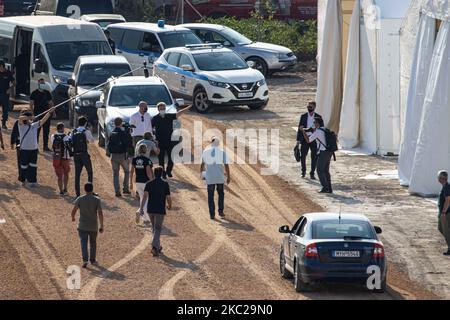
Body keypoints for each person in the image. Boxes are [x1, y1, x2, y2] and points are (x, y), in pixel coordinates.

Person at [151, 102, 192, 178]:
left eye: (163, 108)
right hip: (160, 142)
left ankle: (168, 171)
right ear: (158, 109)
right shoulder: (155, 118)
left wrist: (187, 108)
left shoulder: (169, 116)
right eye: (161, 109)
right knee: (161, 159)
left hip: (170, 141)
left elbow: (178, 113)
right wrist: (153, 138)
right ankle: (162, 173)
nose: (162, 110)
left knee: (171, 158)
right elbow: (150, 128)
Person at [139, 166, 172, 257]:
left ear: (154, 173)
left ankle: (158, 246)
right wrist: (170, 205)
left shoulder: (149, 183)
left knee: (154, 228)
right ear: (161, 173)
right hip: (160, 209)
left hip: (151, 209)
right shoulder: (165, 184)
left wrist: (141, 208)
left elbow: (145, 197)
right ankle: (154, 247)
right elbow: (168, 197)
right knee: (157, 228)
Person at [18, 108, 55, 187]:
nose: (31, 120)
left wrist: (49, 112)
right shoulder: (21, 126)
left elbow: (42, 121)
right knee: (24, 166)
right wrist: (29, 117)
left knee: (33, 166)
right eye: (28, 118)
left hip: (34, 150)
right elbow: (20, 118)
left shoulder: (34, 126)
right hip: (24, 150)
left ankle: (32, 181)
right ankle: (23, 180)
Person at [71, 183, 104, 268]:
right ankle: (92, 260)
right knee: (93, 243)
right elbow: (100, 213)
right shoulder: (97, 200)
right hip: (93, 226)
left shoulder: (80, 198)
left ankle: (85, 260)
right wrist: (101, 225)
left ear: (84, 189)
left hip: (82, 225)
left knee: (83, 243)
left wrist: (73, 217)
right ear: (92, 189)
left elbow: (74, 210)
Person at [200, 137, 231, 220]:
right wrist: (228, 176)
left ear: (211, 143)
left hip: (210, 177)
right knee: (221, 194)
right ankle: (220, 211)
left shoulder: (205, 152)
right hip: (220, 177)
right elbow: (226, 165)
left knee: (210, 196)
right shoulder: (222, 152)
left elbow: (202, 164)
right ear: (218, 144)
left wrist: (201, 174)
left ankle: (212, 214)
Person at [300, 117, 333, 194]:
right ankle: (329, 188)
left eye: (314, 122)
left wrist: (303, 131)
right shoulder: (325, 129)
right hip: (330, 151)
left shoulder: (318, 131)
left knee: (319, 170)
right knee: (326, 170)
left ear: (318, 123)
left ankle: (325, 187)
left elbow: (308, 140)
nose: (314, 124)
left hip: (323, 152)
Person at [69, 116, 95, 198]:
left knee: (77, 175)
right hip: (84, 154)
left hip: (76, 154)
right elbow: (92, 141)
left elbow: (69, 141)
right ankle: (89, 191)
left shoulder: (73, 131)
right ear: (85, 123)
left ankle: (78, 193)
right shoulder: (86, 131)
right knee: (89, 172)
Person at [107, 117, 133, 197]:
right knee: (126, 172)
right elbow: (129, 143)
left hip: (114, 156)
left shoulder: (112, 133)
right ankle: (125, 189)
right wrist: (129, 132)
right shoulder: (123, 133)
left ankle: (117, 191)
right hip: (122, 155)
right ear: (121, 123)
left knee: (115, 174)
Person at [296, 101, 322, 179]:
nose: (309, 108)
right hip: (305, 138)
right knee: (303, 155)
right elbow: (299, 128)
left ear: (314, 107)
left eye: (310, 107)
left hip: (314, 139)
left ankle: (312, 173)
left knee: (314, 157)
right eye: (308, 107)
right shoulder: (303, 116)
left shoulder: (318, 117)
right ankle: (303, 171)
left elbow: (321, 127)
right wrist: (298, 140)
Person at [131, 144, 154, 224]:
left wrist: (131, 182)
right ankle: (139, 211)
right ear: (145, 150)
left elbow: (132, 171)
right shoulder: (146, 160)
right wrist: (152, 181)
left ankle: (145, 218)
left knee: (142, 199)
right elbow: (148, 172)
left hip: (138, 181)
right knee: (147, 199)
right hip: (146, 182)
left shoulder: (134, 159)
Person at [30, 78, 54, 152]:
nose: (42, 84)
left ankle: (45, 146)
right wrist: (32, 114)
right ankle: (35, 146)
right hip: (37, 114)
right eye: (41, 82)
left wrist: (53, 112)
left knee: (46, 131)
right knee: (36, 131)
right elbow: (31, 104)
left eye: (43, 82)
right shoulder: (34, 93)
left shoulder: (47, 93)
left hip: (46, 114)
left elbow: (50, 103)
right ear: (38, 83)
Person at [51, 123, 71, 196]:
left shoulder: (53, 136)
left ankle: (61, 191)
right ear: (62, 128)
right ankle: (65, 189)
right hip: (65, 157)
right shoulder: (66, 137)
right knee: (66, 173)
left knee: (60, 176)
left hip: (56, 157)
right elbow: (69, 146)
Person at [438, 171, 450, 256]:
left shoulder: (446, 187)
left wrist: (443, 212)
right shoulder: (445, 186)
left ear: (441, 178)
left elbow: (448, 199)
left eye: (438, 177)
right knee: (440, 228)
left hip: (446, 213)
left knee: (446, 231)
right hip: (444, 213)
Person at [0, 60, 15, 130]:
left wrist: (10, 89)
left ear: (2, 66)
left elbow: (14, 82)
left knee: (5, 109)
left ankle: (3, 124)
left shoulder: (8, 73)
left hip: (5, 94)